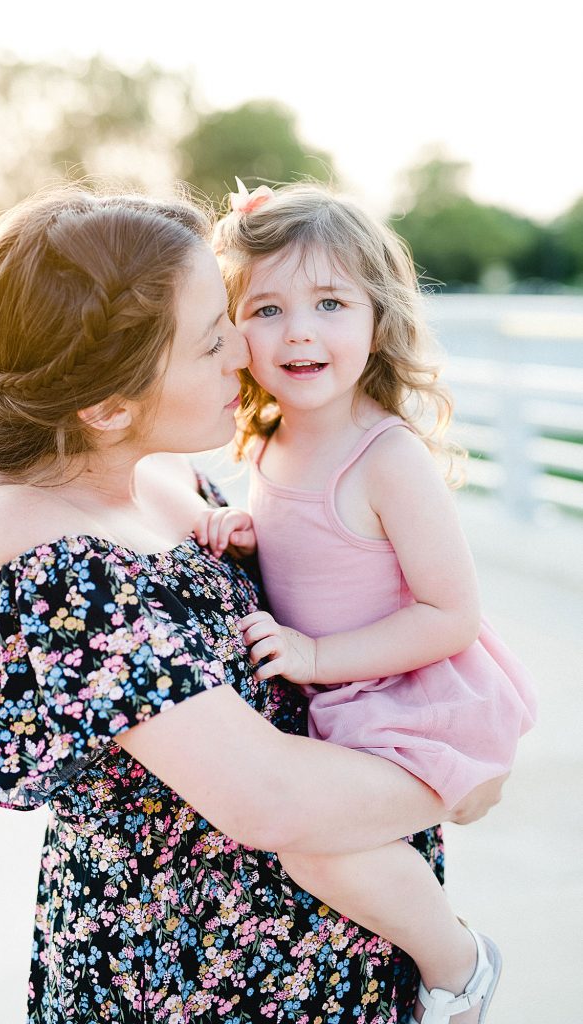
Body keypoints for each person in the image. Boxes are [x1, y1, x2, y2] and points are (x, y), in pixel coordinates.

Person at [0, 186, 502, 1024]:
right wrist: (457, 781)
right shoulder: (41, 550)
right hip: (203, 992)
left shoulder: (153, 468)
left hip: (336, 966)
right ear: (107, 405)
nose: (242, 358)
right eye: (215, 338)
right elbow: (269, 799)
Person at [203, 181, 538, 1024]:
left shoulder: (386, 457)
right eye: (266, 308)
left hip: (407, 699)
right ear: (228, 328)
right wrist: (244, 532)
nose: (301, 330)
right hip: (345, 703)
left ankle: (460, 963)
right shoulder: (271, 435)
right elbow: (308, 546)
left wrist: (317, 659)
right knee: (313, 837)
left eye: (329, 303)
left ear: (376, 318)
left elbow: (449, 614)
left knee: (310, 845)